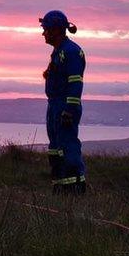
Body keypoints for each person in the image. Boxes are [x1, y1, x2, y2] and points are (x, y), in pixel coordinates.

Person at [40, 10, 86, 194]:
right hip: (54, 105)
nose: (43, 34)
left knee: (67, 145)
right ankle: (60, 185)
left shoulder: (71, 52)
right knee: (55, 148)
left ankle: (74, 187)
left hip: (64, 106)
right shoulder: (58, 52)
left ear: (56, 30)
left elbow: (75, 82)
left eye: (46, 30)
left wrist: (69, 109)